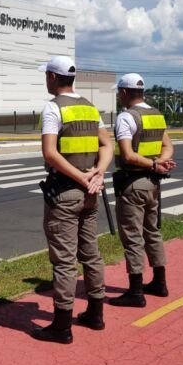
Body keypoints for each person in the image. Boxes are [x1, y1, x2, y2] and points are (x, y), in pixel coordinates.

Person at [32, 56, 113, 344]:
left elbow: (50, 154)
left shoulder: (54, 108)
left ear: (53, 78)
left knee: (65, 261)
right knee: (91, 254)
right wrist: (98, 174)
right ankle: (95, 314)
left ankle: (62, 325)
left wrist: (82, 178)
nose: (46, 80)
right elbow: (107, 144)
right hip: (91, 193)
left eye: (47, 76)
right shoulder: (90, 108)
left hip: (66, 193)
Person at [109, 73, 176, 308]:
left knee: (132, 238)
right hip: (152, 184)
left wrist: (155, 164)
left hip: (133, 183)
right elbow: (168, 146)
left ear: (125, 92)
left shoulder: (126, 118)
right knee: (153, 233)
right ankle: (160, 282)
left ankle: (135, 292)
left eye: (119, 92)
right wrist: (161, 162)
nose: (118, 95)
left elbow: (127, 155)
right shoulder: (156, 115)